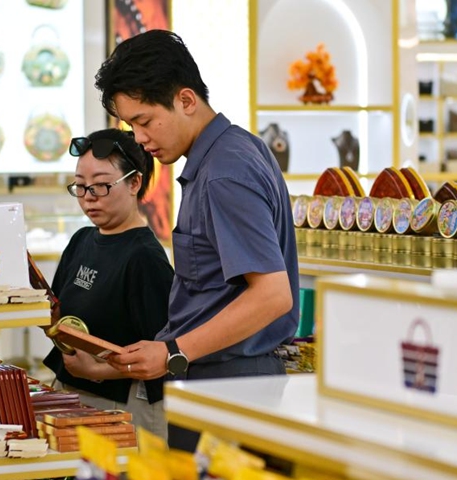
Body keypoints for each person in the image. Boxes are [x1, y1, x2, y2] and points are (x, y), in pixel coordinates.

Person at [94, 29, 300, 450]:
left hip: (232, 387)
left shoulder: (225, 173)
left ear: (186, 101)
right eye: (131, 125)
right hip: (224, 382)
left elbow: (273, 296)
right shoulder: (232, 151)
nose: (139, 138)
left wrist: (172, 351)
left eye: (145, 121)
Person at [42, 128, 173, 441]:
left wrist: (97, 370)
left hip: (122, 405)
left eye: (101, 186)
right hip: (72, 395)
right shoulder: (81, 241)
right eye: (81, 186)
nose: (89, 198)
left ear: (134, 182)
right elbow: (59, 313)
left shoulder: (144, 257)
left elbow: (167, 357)